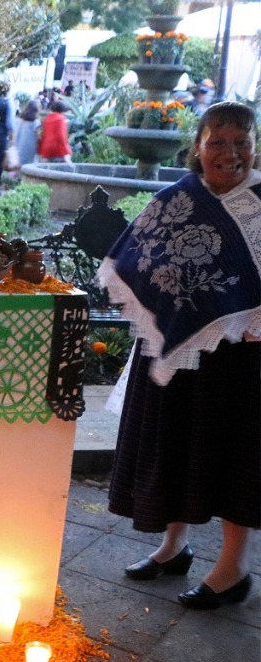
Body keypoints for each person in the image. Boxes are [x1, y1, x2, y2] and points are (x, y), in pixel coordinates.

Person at [98, 101, 260, 611]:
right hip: (179, 355)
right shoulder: (176, 199)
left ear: (255, 146)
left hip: (244, 360)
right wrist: (160, 317)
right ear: (198, 147)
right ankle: (174, 547)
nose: (229, 153)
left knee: (238, 457)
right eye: (217, 141)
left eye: (241, 141)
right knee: (176, 446)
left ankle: (234, 567)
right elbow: (131, 260)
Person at [14, 96, 40, 168]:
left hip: (19, 145)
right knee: (30, 167)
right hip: (30, 147)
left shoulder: (20, 119)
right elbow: (38, 136)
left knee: (20, 165)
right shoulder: (35, 122)